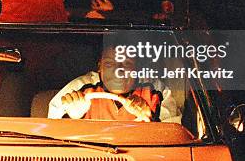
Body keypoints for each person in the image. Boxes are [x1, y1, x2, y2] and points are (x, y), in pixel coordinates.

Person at [48, 51, 178, 121]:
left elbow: (174, 138)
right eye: (110, 64)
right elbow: (51, 135)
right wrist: (73, 116)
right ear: (99, 67)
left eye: (126, 64)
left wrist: (149, 118)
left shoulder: (156, 90)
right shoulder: (80, 87)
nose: (118, 71)